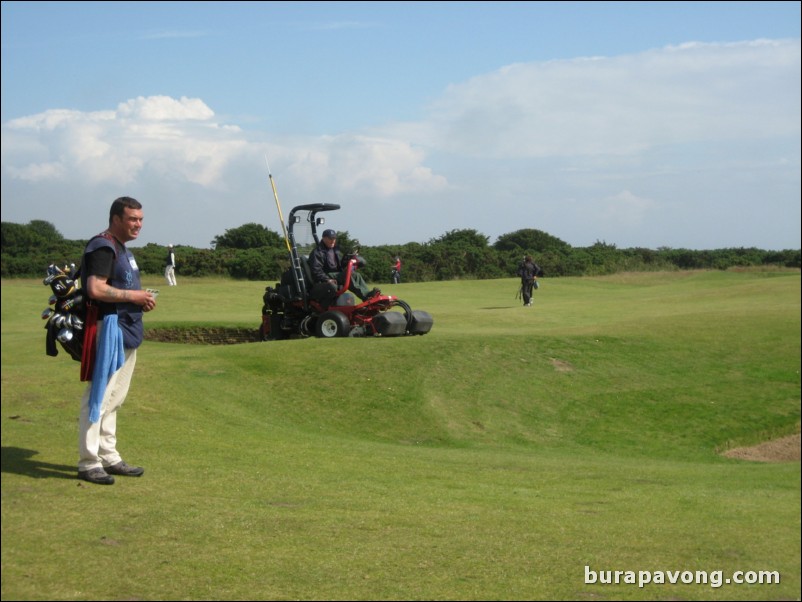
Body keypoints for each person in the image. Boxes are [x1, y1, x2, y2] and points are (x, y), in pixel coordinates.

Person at [76, 196, 157, 485]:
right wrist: (133, 296)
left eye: (141, 219)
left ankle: (108, 456)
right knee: (99, 396)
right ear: (116, 219)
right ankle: (88, 462)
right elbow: (95, 288)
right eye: (133, 219)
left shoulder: (122, 249)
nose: (138, 224)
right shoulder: (103, 245)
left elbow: (120, 287)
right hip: (108, 327)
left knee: (115, 399)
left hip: (127, 328)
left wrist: (140, 300)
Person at [308, 229, 380, 301]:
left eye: (334, 238)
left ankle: (368, 293)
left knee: (355, 275)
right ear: (324, 238)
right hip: (325, 276)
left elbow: (340, 265)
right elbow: (316, 271)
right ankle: (366, 297)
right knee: (346, 275)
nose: (333, 240)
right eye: (330, 238)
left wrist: (350, 259)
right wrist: (327, 279)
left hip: (335, 275)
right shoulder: (317, 252)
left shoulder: (335, 250)